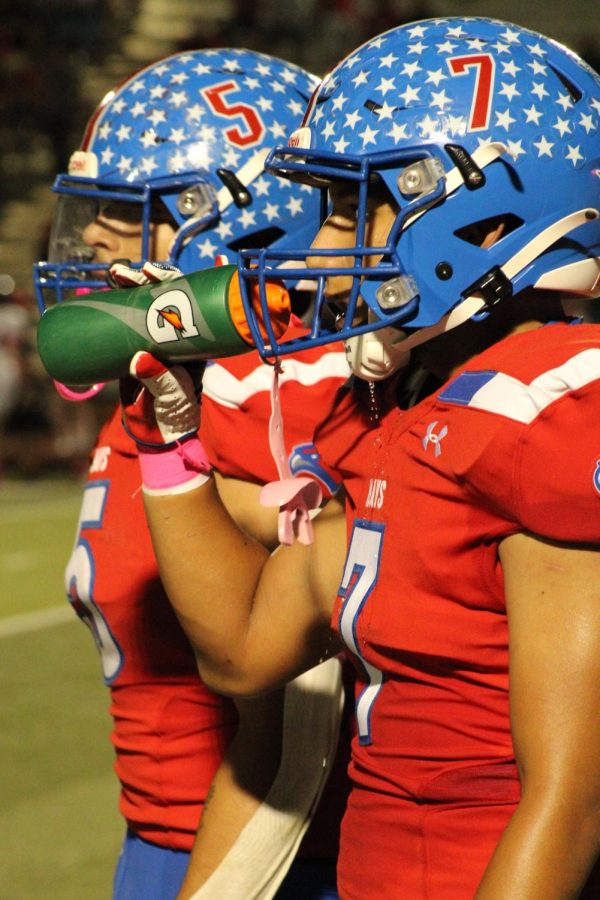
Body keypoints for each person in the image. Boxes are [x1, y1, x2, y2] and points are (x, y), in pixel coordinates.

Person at [122, 18, 600, 899]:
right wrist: (170, 443)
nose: (326, 241)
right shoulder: (415, 404)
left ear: (477, 208)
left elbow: (573, 801)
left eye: (355, 202)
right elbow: (240, 655)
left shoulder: (546, 407)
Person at [35, 48, 353, 899]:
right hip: (161, 835)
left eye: (123, 208)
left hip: (274, 857)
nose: (93, 236)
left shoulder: (272, 400)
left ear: (238, 221)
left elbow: (292, 720)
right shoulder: (164, 392)